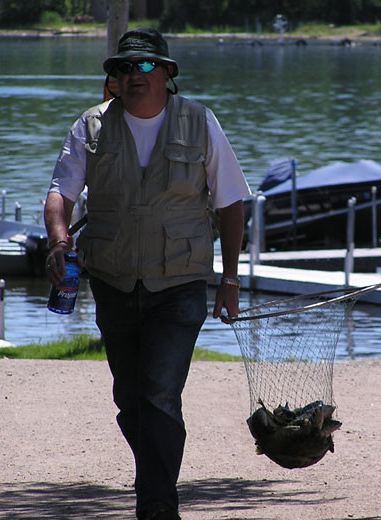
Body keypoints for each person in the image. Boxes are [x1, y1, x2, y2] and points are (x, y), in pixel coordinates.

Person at [43, 28, 250, 520]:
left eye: (143, 67)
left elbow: (231, 203)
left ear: (166, 74)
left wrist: (230, 279)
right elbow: (59, 195)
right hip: (112, 283)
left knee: (159, 391)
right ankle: (156, 482)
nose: (132, 77)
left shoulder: (200, 123)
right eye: (123, 68)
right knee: (130, 398)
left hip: (179, 284)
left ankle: (156, 503)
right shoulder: (90, 127)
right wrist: (59, 241)